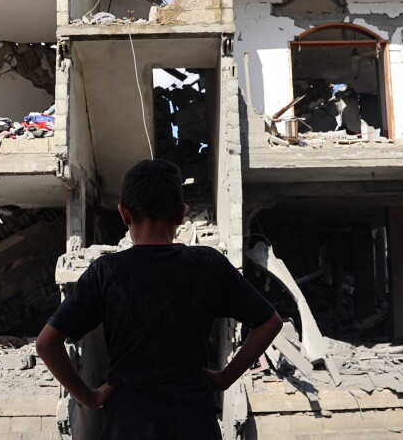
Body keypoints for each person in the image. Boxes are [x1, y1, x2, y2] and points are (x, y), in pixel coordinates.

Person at [36, 159, 283, 439]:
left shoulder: (107, 272)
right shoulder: (207, 264)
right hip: (195, 425)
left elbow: (47, 343)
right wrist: (225, 378)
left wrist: (89, 398)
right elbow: (269, 323)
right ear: (180, 214)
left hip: (127, 425)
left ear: (124, 214)